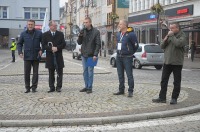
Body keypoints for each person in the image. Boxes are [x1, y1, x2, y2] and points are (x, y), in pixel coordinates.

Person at [152, 22, 187, 104]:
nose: (170, 30)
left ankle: (174, 98)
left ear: (177, 28)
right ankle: (162, 97)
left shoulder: (182, 35)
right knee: (164, 80)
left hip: (177, 62)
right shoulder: (169, 35)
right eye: (170, 28)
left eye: (172, 28)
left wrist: (171, 36)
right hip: (167, 61)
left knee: (176, 81)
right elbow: (161, 46)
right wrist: (166, 38)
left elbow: (178, 44)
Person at [113, 19, 138, 97]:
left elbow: (136, 46)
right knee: (120, 74)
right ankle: (121, 90)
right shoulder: (118, 34)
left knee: (129, 75)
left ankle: (130, 91)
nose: (119, 26)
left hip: (127, 57)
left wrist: (130, 52)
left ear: (124, 25)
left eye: (120, 24)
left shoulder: (131, 34)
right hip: (119, 56)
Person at [17, 19, 42, 93]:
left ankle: (34, 87)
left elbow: (43, 43)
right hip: (27, 56)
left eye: (31, 24)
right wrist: (20, 52)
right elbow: (19, 44)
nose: (30, 26)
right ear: (27, 25)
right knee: (27, 73)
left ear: (34, 25)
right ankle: (27, 87)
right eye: (29, 24)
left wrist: (41, 50)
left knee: (35, 73)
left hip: (36, 55)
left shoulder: (39, 33)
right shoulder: (23, 34)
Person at [77, 17, 101, 94]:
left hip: (91, 55)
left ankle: (89, 87)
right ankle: (86, 86)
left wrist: (95, 54)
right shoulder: (82, 31)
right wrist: (80, 35)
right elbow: (79, 42)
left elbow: (98, 44)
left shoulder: (96, 32)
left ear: (90, 23)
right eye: (84, 22)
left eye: (86, 22)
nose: (85, 24)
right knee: (85, 71)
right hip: (84, 54)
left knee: (90, 71)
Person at [42, 20, 66, 93]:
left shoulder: (60, 34)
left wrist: (57, 48)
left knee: (59, 72)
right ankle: (51, 87)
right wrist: (51, 48)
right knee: (51, 73)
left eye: (56, 25)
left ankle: (59, 87)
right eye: (54, 25)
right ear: (50, 26)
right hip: (50, 57)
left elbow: (63, 44)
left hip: (58, 56)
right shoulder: (45, 35)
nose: (55, 26)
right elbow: (44, 45)